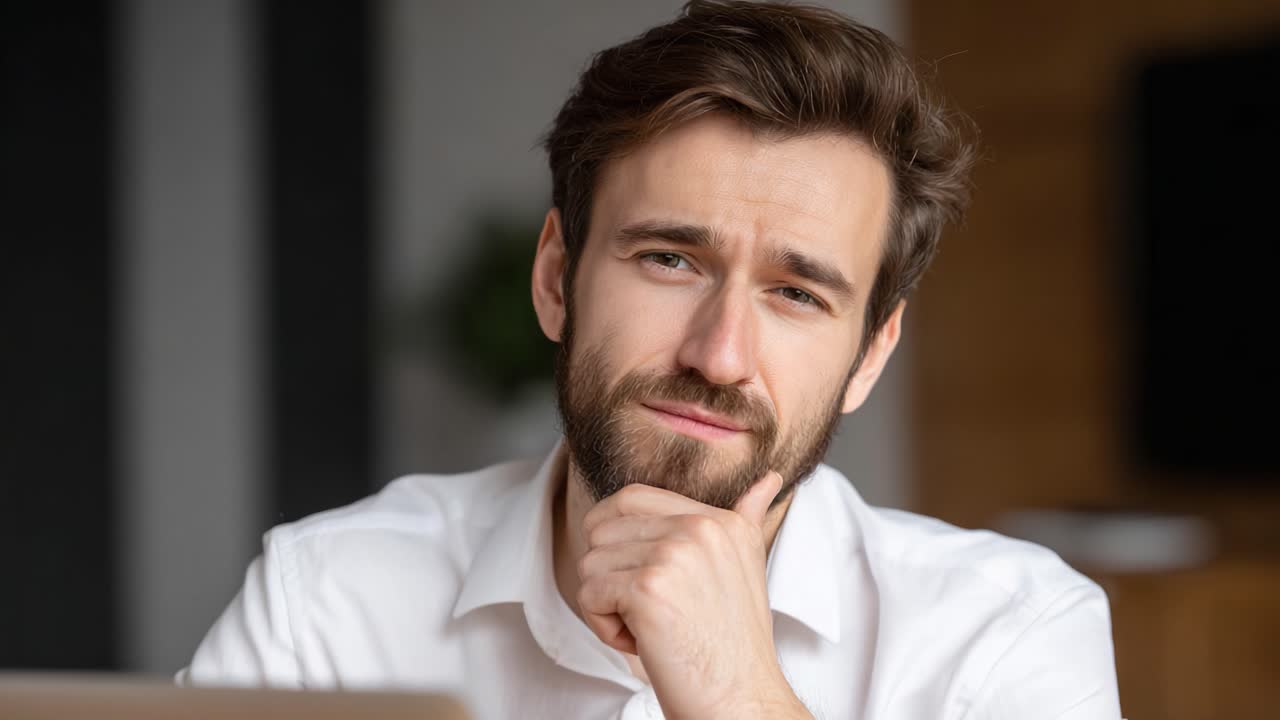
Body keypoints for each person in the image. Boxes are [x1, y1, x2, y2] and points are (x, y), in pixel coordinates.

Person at [180, 2, 1122, 718]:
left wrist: (735, 688)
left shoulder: (1009, 634)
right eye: (670, 259)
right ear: (557, 277)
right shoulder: (332, 599)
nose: (719, 355)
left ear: (871, 353)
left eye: (797, 294)